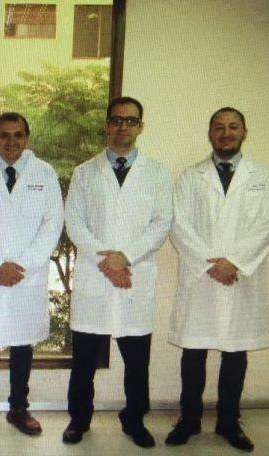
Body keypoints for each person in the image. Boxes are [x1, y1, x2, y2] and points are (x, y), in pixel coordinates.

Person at [165, 107, 269, 452]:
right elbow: (178, 223)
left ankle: (229, 422)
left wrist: (235, 263)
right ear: (209, 133)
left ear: (244, 132)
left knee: (235, 352)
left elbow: (268, 226)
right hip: (202, 276)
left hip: (241, 276)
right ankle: (189, 420)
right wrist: (212, 265)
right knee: (194, 350)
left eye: (233, 127)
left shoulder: (264, 176)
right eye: (218, 127)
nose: (226, 133)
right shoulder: (190, 176)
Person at [62, 97, 172, 448]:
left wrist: (125, 257)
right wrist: (107, 260)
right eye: (117, 120)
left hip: (134, 275)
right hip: (96, 275)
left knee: (137, 361)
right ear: (107, 125)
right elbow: (74, 221)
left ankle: (134, 419)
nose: (123, 126)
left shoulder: (158, 173)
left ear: (141, 126)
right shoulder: (84, 172)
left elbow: (162, 223)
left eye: (131, 120)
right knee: (83, 360)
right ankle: (79, 419)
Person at [0, 113, 64, 438]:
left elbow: (53, 223)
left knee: (22, 342)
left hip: (26, 274)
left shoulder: (44, 173)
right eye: (4, 135)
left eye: (18, 135)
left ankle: (19, 407)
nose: (11, 141)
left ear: (27, 138)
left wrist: (23, 264)